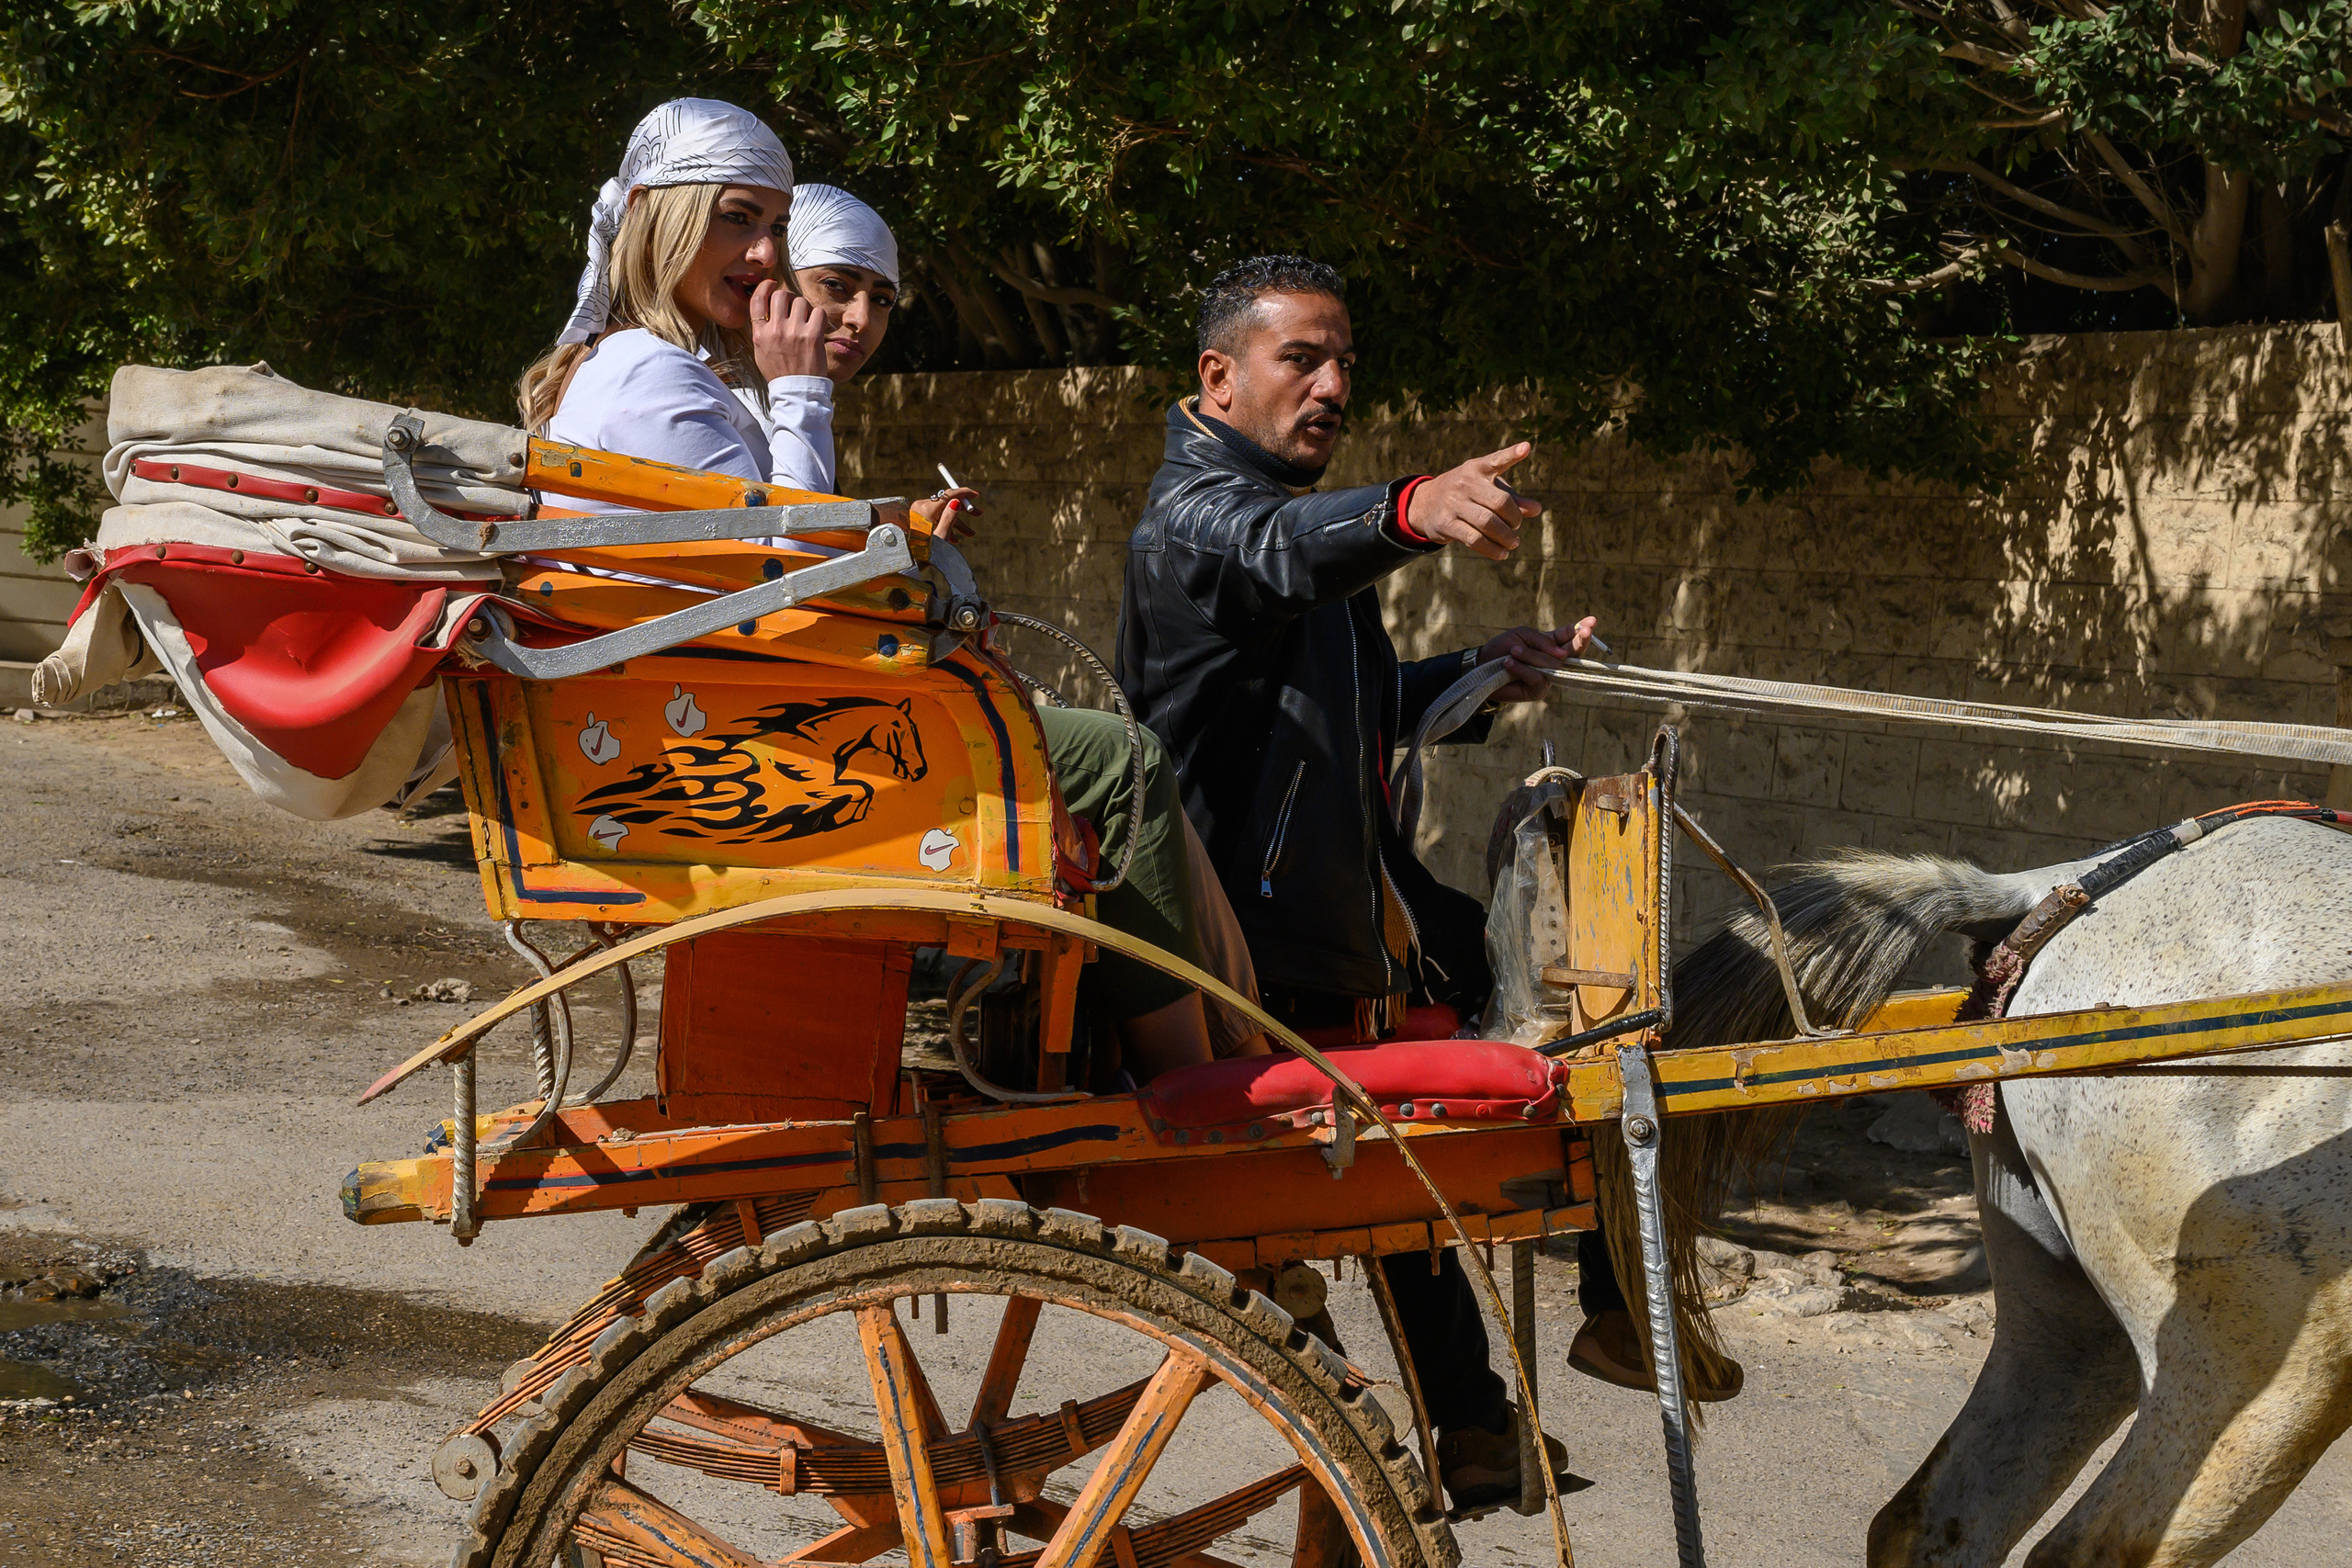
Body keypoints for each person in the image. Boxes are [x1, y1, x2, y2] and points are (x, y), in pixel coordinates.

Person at [513, 99, 1239, 1079]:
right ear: (654, 213)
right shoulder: (655, 380)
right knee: (1122, 760)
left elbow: (764, 559)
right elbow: (795, 585)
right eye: (738, 218)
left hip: (709, 713)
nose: (764, 253)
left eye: (774, 227)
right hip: (741, 738)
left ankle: (1135, 1047)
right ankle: (1191, 1077)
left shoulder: (641, 370)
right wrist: (801, 395)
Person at [1114, 254, 1634, 1510]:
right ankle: (1407, 1429)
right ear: (1218, 376)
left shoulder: (1284, 519)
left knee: (1421, 1140)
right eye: (1302, 359)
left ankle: (1476, 1428)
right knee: (1479, 1091)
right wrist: (1409, 508)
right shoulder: (1198, 519)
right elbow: (1274, 551)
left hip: (1334, 935)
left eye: (1344, 363)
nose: (1333, 386)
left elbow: (1342, 702)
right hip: (1244, 951)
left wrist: (1481, 671)